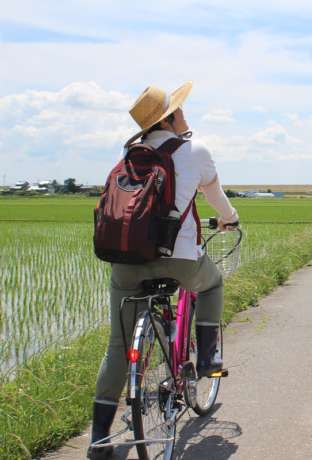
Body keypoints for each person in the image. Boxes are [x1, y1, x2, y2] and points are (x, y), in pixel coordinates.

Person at [88, 82, 239, 459]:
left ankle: (99, 440)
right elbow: (217, 199)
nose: (185, 113)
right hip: (180, 257)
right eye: (180, 109)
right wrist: (230, 220)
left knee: (119, 348)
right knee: (212, 284)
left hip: (127, 263)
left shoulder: (131, 154)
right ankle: (208, 359)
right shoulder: (196, 150)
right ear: (169, 118)